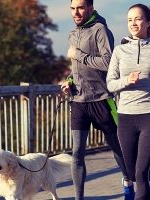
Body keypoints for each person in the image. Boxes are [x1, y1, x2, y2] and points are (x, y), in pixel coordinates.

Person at [61, 0, 134, 199]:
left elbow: (109, 63)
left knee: (118, 148)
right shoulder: (73, 34)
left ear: (91, 8)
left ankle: (128, 180)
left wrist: (79, 55)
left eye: (80, 8)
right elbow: (77, 69)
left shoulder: (100, 30)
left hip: (102, 99)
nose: (76, 12)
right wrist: (69, 80)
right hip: (78, 101)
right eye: (73, 8)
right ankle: (79, 198)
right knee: (77, 153)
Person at [106, 3, 150, 200]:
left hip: (148, 115)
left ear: (148, 22)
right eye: (130, 19)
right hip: (125, 117)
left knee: (141, 172)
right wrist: (127, 80)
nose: (133, 23)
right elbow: (110, 85)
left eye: (138, 18)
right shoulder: (119, 51)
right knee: (131, 172)